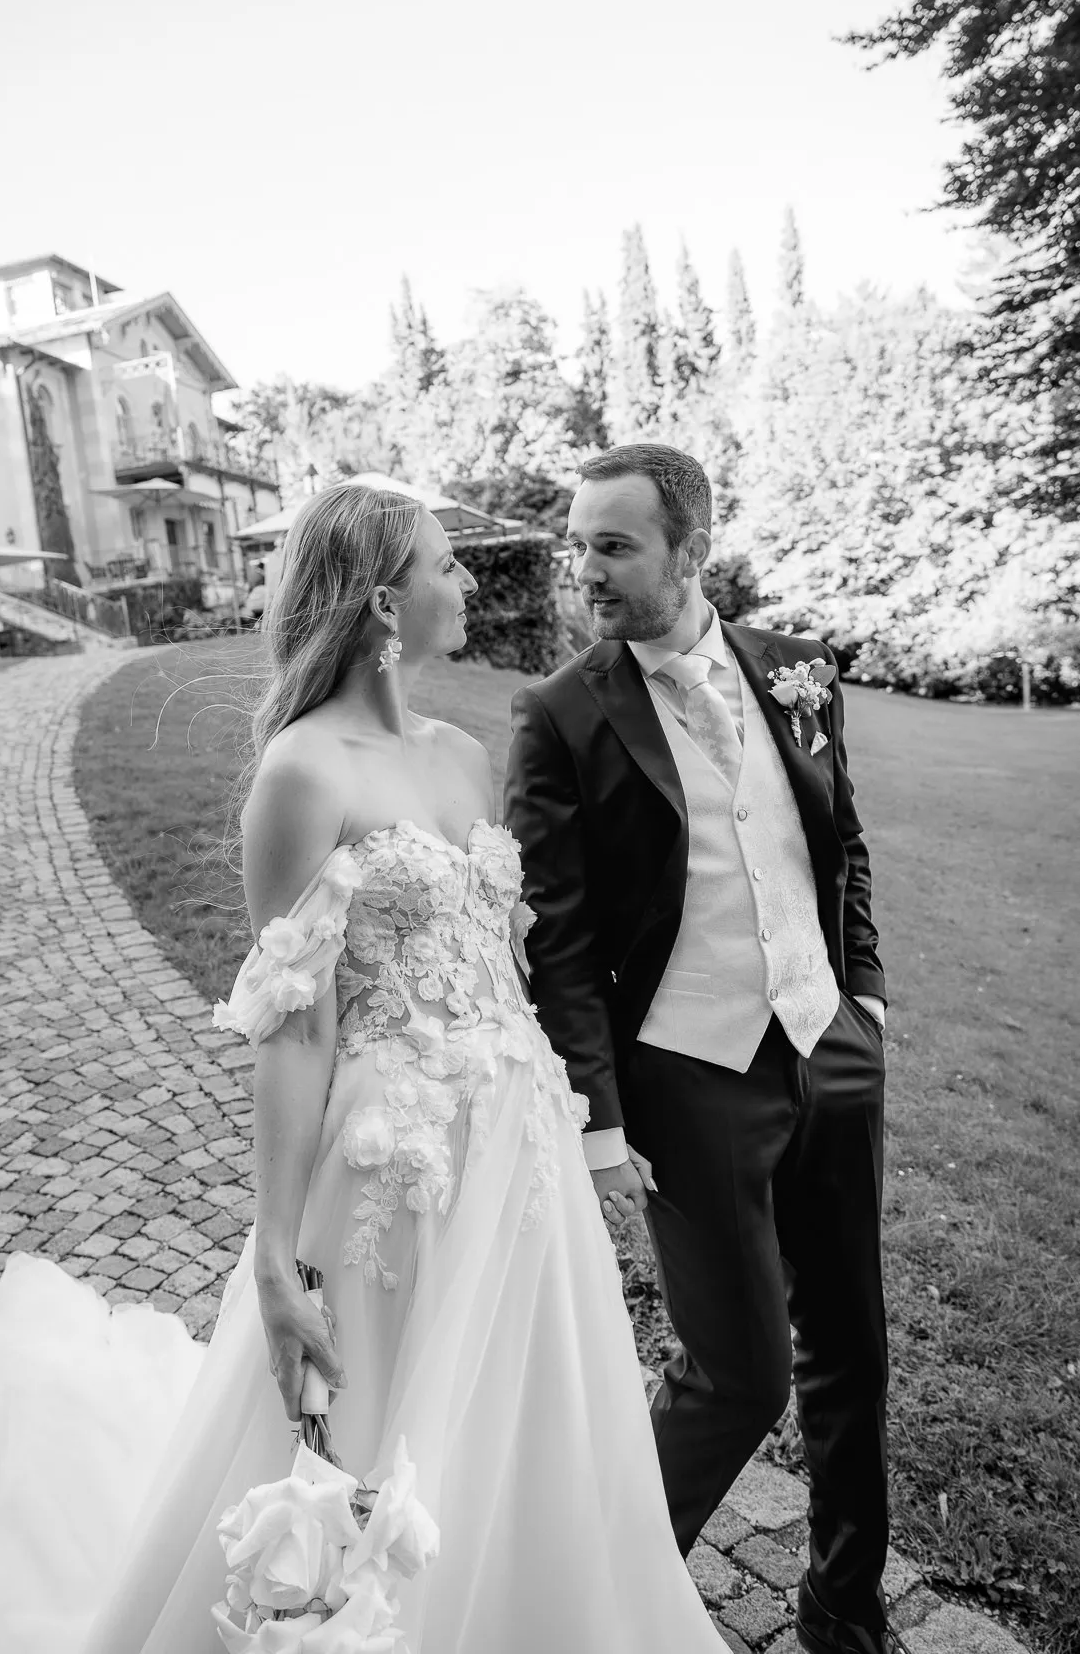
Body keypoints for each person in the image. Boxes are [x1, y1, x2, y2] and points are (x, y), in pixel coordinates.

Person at [0, 481, 723, 1654]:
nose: (467, 584)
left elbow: (502, 963)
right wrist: (274, 1251)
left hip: (520, 1154)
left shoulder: (464, 755)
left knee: (534, 1418)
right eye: (446, 566)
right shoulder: (303, 775)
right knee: (374, 1441)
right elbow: (294, 1030)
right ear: (379, 598)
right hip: (391, 1176)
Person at [504, 444, 897, 1654]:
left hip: (828, 1047)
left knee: (854, 1351)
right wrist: (603, 1122)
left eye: (613, 545)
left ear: (692, 549)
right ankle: (582, 1609)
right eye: (579, 545)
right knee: (737, 1377)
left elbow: (844, 848)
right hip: (688, 1075)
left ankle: (842, 1606)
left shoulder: (797, 675)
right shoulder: (560, 716)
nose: (586, 571)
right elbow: (558, 943)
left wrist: (866, 1000)